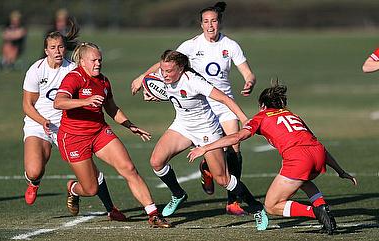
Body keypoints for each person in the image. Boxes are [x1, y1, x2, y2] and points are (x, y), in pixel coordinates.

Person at [131, 1, 256, 216]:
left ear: (220, 23)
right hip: (196, 104)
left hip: (222, 102)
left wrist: (249, 81)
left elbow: (247, 72)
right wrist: (143, 77)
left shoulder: (230, 45)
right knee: (161, 159)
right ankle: (202, 173)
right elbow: (168, 64)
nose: (210, 25)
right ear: (201, 24)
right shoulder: (190, 46)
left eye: (214, 21)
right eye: (206, 22)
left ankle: (232, 201)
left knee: (234, 150)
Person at [188, 81, 357, 235]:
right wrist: (340, 171)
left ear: (262, 105)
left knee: (271, 205)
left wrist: (205, 147)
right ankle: (321, 206)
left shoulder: (261, 117)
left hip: (299, 159)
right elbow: (316, 145)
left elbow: (236, 137)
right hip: (318, 154)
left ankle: (317, 213)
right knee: (303, 181)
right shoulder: (292, 116)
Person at [146, 50, 268, 231]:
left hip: (206, 131)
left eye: (169, 71)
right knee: (156, 161)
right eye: (162, 70)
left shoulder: (195, 82)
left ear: (181, 68)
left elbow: (225, 99)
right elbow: (174, 95)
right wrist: (153, 95)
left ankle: (257, 208)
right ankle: (178, 194)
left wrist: (243, 119)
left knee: (222, 179)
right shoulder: (163, 76)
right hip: (182, 125)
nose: (164, 74)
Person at [53, 42, 171, 228]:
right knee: (91, 189)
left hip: (99, 132)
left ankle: (153, 214)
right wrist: (85, 101)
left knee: (129, 168)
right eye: (93, 60)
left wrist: (130, 125)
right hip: (74, 138)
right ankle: (73, 188)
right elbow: (59, 102)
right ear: (82, 62)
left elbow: (112, 108)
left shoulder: (103, 81)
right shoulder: (74, 78)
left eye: (100, 59)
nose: (98, 63)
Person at [22, 20, 79, 206]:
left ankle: (109, 208)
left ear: (65, 49)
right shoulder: (36, 70)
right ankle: (34, 182)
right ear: (46, 50)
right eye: (53, 47)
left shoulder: (72, 70)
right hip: (38, 124)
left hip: (66, 125)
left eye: (61, 47)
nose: (57, 51)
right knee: (34, 170)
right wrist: (43, 121)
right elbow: (27, 105)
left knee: (87, 172)